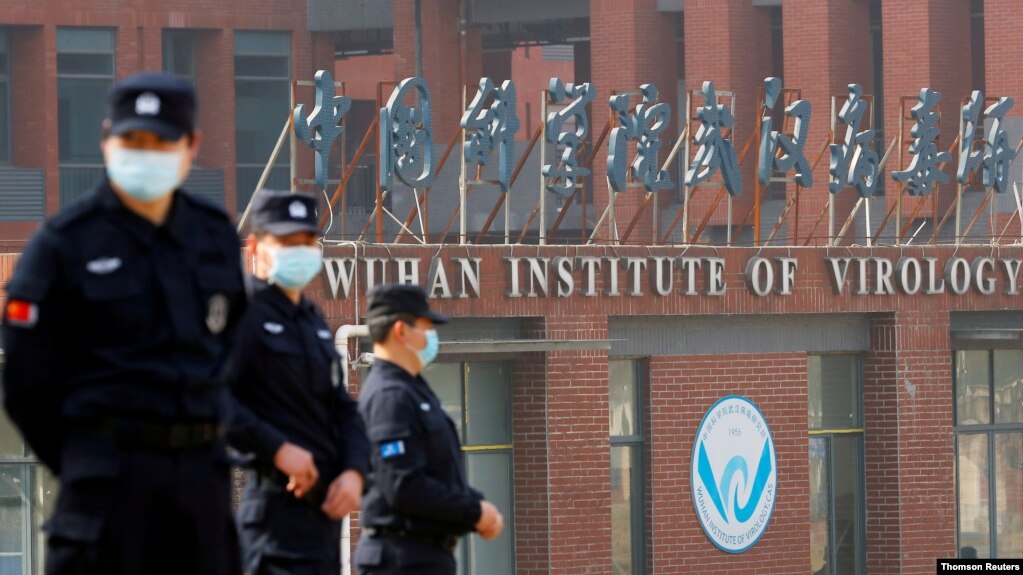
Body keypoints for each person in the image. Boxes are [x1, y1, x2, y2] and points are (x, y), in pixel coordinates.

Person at [1, 72, 246, 574]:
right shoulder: (64, 244)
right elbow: (26, 382)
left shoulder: (214, 234)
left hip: (200, 486)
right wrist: (84, 460)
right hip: (105, 491)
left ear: (192, 144)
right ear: (107, 138)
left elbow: (233, 349)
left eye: (161, 140)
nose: (145, 153)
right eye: (132, 139)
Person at [226, 188, 370, 575]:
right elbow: (213, 399)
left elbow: (343, 409)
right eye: (287, 241)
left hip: (323, 518)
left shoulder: (312, 319)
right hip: (274, 515)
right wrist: (276, 449)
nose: (301, 250)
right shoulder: (243, 313)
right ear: (254, 246)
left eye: (308, 240)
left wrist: (356, 472)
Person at [354, 284, 504, 575]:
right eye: (425, 327)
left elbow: (438, 473)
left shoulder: (413, 391)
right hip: (402, 559)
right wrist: (473, 512)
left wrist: (475, 504)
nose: (432, 336)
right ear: (400, 331)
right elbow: (402, 485)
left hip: (422, 557)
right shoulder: (390, 396)